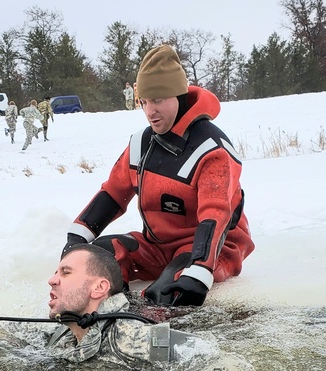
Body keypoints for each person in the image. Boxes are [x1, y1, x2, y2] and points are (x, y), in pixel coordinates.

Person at [62, 44, 254, 307]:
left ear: (178, 95)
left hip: (211, 248)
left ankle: (145, 327)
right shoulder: (141, 143)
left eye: (158, 100)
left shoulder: (212, 149)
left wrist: (199, 271)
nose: (150, 111)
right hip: (157, 246)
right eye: (144, 101)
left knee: (164, 292)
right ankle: (99, 314)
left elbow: (216, 214)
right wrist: (79, 236)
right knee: (94, 259)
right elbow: (114, 193)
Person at [46, 244, 186, 366]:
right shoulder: (58, 337)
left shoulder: (133, 336)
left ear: (99, 288)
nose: (52, 280)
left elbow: (201, 356)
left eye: (66, 273)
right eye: (55, 273)